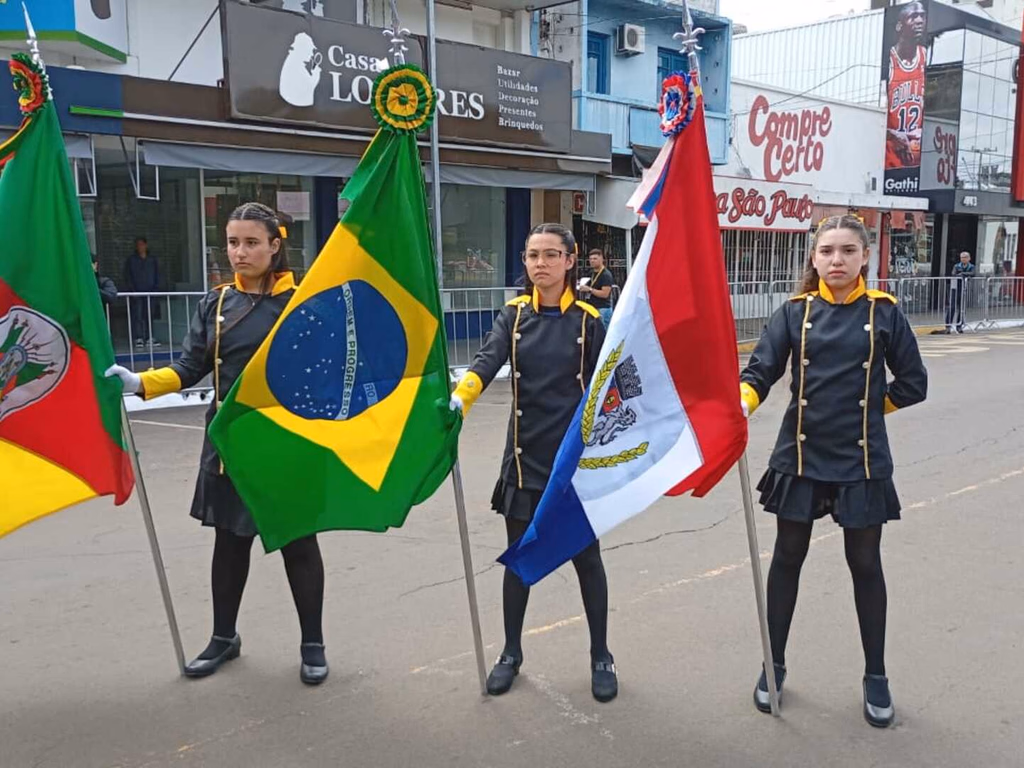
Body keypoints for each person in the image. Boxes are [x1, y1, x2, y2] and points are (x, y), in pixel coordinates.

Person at [106, 203, 329, 685]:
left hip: (287, 445)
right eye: (232, 242)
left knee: (298, 545)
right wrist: (139, 383)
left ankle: (313, 642)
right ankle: (224, 637)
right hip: (228, 446)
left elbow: (325, 376)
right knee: (229, 543)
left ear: (276, 245)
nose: (239, 252)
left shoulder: (304, 300)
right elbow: (190, 368)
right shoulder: (216, 303)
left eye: (251, 242)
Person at [739, 215, 927, 728]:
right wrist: (742, 402)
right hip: (800, 457)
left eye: (847, 250)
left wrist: (868, 409)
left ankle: (876, 675)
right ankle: (772, 664)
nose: (836, 260)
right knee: (787, 560)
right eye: (826, 251)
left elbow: (913, 383)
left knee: (865, 565)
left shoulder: (884, 313)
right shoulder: (794, 313)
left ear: (865, 256)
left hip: (861, 459)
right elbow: (760, 370)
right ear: (814, 258)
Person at [449, 223, 617, 702]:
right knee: (518, 559)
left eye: (549, 255)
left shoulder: (588, 321)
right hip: (524, 461)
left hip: (570, 463)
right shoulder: (513, 316)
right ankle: (510, 653)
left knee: (587, 559)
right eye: (531, 255)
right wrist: (461, 400)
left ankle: (601, 654)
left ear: (570, 260)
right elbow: (486, 361)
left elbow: (609, 385)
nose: (539, 263)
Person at [885, 2, 926, 171]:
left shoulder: (926, 56)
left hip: (917, 158)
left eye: (922, 16)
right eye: (913, 17)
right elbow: (872, 117)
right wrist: (894, 136)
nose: (919, 20)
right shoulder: (887, 61)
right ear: (899, 25)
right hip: (891, 157)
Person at [123, 236, 161, 348]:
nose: (140, 247)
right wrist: (132, 290)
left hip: (151, 292)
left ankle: (150, 337)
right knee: (138, 316)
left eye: (142, 244)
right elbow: (128, 276)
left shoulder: (152, 259)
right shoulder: (132, 260)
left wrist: (156, 289)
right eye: (138, 245)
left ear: (146, 245)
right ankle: (138, 337)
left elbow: (157, 275)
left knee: (149, 315)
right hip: (137, 292)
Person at [579, 249, 616, 328]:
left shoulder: (606, 275)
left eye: (595, 259)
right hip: (592, 308)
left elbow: (605, 294)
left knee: (603, 333)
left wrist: (590, 290)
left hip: (602, 309)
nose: (592, 261)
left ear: (601, 259)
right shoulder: (591, 272)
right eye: (591, 259)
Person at [945, 251, 975, 334]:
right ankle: (948, 326)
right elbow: (953, 273)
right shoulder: (957, 266)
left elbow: (973, 273)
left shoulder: (971, 266)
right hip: (955, 288)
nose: (963, 259)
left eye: (965, 257)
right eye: (962, 257)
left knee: (962, 309)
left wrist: (962, 273)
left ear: (969, 258)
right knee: (952, 307)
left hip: (964, 289)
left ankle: (959, 326)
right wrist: (963, 274)